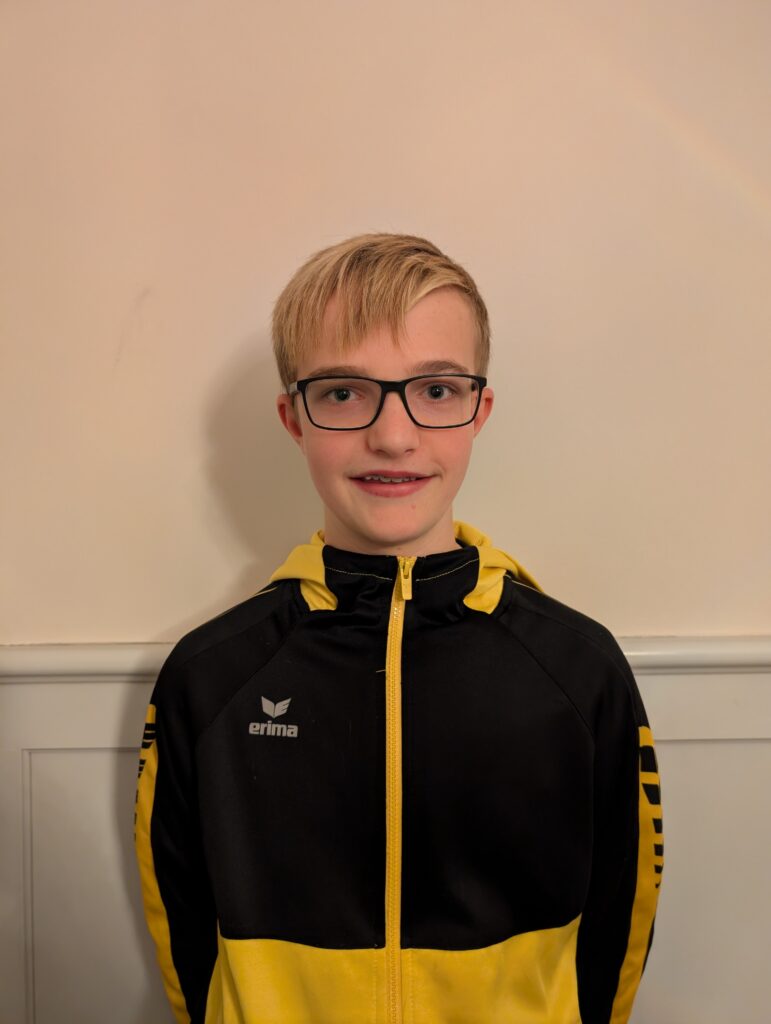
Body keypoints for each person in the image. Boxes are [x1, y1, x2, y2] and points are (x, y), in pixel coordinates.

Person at [134, 233, 663, 1024]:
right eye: (344, 392)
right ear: (292, 416)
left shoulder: (576, 668)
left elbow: (620, 924)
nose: (392, 436)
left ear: (479, 410)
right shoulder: (211, 675)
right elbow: (182, 931)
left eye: (436, 390)